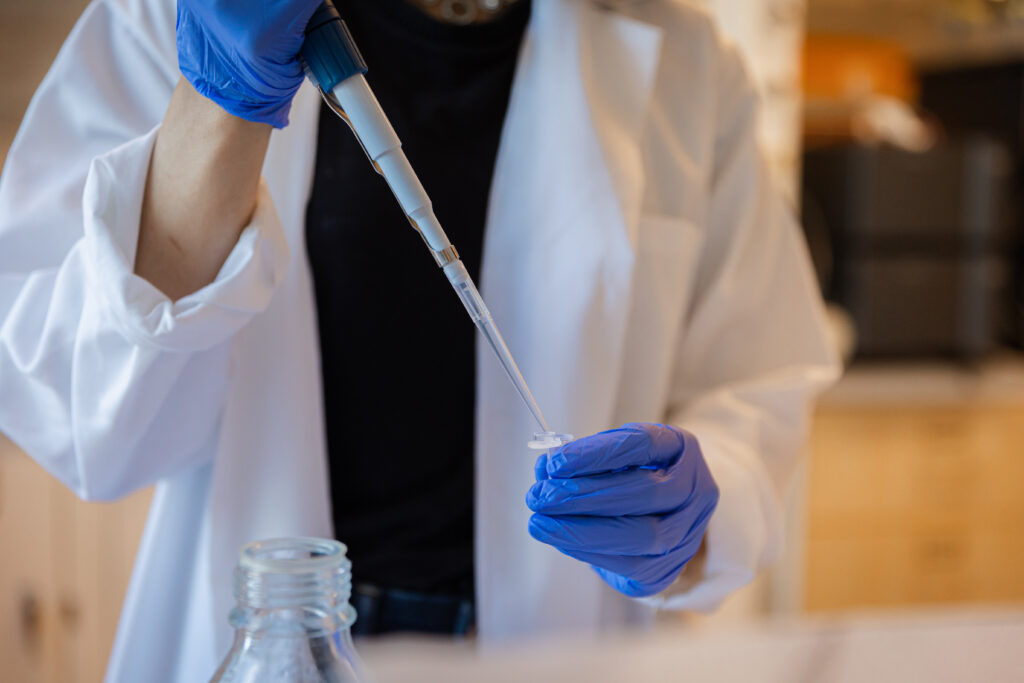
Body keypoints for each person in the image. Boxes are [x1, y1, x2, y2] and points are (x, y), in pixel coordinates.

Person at [0, 0, 839, 680]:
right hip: (267, 637)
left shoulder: (689, 63)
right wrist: (213, 102)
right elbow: (80, 417)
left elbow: (758, 381)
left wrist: (695, 506)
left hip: (559, 646)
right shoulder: (183, 17)